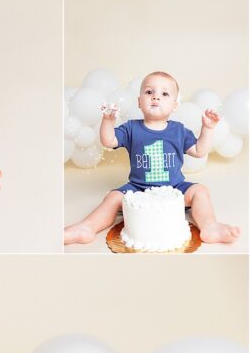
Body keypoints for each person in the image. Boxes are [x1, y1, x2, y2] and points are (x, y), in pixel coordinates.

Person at [64, 70, 240, 246]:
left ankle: (210, 227)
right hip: (137, 188)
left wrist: (207, 129)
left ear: (174, 105)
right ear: (139, 102)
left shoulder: (178, 130)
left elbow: (199, 151)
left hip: (175, 188)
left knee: (200, 191)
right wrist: (108, 121)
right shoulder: (131, 128)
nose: (156, 97)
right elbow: (108, 141)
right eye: (149, 92)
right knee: (112, 197)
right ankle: (86, 228)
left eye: (164, 94)